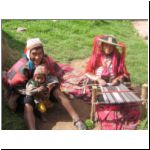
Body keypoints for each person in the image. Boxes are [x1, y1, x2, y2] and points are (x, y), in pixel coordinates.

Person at [3, 38, 86, 130]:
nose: (38, 57)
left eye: (40, 53)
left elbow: (53, 75)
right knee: (28, 104)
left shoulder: (46, 60)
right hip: (25, 91)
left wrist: (48, 88)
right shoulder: (22, 67)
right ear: (28, 53)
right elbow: (15, 87)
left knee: (57, 92)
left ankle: (77, 120)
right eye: (34, 54)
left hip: (43, 87)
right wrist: (35, 91)